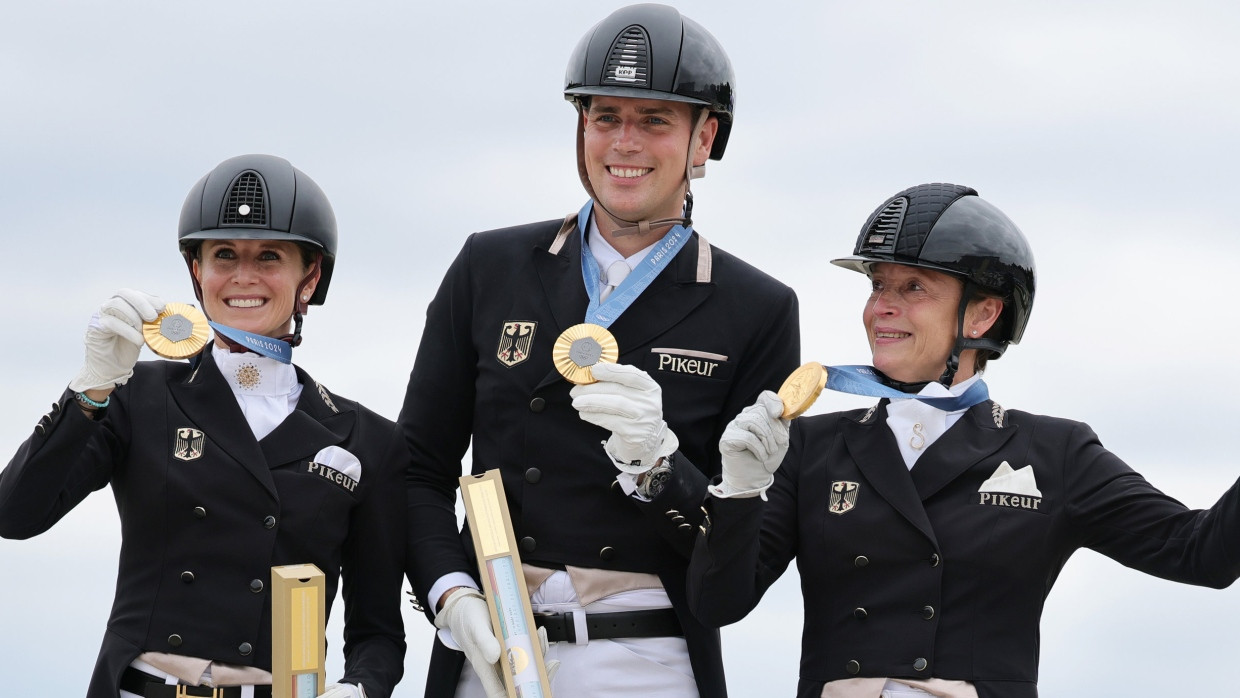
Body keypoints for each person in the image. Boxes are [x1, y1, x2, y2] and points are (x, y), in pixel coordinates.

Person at [685, 181, 1240, 698]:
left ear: (983, 314)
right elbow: (717, 604)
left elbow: (1202, 554)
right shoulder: (808, 445)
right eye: (878, 285)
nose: (882, 307)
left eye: (913, 288)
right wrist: (737, 492)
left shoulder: (1055, 453)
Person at [399, 4, 799, 697]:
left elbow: (736, 580)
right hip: (493, 649)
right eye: (605, 116)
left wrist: (659, 471)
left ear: (704, 138)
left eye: (654, 121)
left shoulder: (757, 309)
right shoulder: (489, 266)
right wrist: (446, 590)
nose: (624, 142)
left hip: (649, 660)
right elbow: (417, 468)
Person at [0, 154, 406, 698]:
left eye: (268, 256)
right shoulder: (137, 396)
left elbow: (377, 633)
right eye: (223, 255)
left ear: (308, 277)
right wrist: (89, 390)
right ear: (197, 271)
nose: (243, 277)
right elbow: (16, 513)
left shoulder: (365, 438)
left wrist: (360, 688)